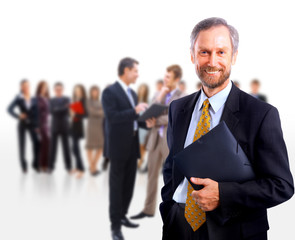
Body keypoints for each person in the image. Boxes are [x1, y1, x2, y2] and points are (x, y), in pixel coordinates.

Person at [160, 17, 294, 240]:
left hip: (234, 231)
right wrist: (171, 206)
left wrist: (223, 194)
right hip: (179, 227)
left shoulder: (261, 114)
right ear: (192, 55)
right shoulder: (178, 108)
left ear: (234, 56)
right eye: (204, 52)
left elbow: (281, 186)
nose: (212, 61)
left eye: (221, 52)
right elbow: (172, 167)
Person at [102, 57, 149, 240]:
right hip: (118, 147)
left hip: (132, 145)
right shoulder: (109, 92)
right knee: (116, 187)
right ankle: (115, 227)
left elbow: (134, 120)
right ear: (126, 71)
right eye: (136, 70)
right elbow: (113, 117)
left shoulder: (133, 94)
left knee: (129, 185)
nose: (137, 74)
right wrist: (135, 111)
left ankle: (123, 216)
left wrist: (147, 123)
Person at [131, 65, 185, 220]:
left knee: (172, 178)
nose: (165, 79)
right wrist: (161, 93)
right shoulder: (158, 93)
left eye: (168, 77)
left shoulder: (183, 96)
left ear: (177, 79)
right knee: (151, 176)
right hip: (154, 140)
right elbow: (151, 108)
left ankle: (174, 211)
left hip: (170, 142)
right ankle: (148, 209)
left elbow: (174, 117)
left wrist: (155, 121)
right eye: (165, 76)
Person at [7, 79, 40, 173]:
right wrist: (18, 116)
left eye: (28, 86)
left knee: (37, 143)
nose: (26, 87)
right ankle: (23, 166)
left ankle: (35, 164)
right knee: (22, 145)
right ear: (21, 87)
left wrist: (37, 125)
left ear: (30, 86)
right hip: (22, 124)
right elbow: (9, 109)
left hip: (33, 124)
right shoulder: (18, 98)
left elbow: (37, 113)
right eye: (24, 86)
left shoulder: (34, 98)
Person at [49, 82, 72, 173]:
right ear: (54, 90)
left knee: (66, 148)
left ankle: (68, 166)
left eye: (60, 89)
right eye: (57, 89)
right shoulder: (51, 100)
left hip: (65, 126)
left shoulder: (67, 99)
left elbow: (68, 110)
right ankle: (50, 167)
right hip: (54, 126)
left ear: (63, 89)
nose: (58, 91)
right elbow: (51, 111)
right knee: (52, 148)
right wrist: (63, 108)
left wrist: (58, 109)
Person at [85, 85, 104, 176]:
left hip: (99, 126)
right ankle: (93, 169)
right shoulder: (88, 101)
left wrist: (99, 112)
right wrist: (100, 111)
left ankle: (93, 165)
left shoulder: (100, 101)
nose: (95, 93)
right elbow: (91, 112)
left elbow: (104, 113)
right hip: (91, 126)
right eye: (93, 91)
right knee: (90, 147)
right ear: (91, 92)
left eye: (96, 91)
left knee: (100, 147)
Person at [70, 84, 87, 179]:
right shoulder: (74, 99)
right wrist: (71, 114)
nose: (77, 92)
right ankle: (77, 167)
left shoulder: (84, 100)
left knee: (76, 148)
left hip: (78, 127)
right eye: (76, 90)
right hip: (72, 126)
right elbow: (72, 114)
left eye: (79, 90)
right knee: (73, 149)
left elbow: (85, 115)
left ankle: (82, 170)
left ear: (82, 91)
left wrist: (75, 114)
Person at [35, 81, 50, 172]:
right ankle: (43, 164)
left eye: (46, 87)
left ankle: (45, 163)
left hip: (48, 123)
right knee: (45, 143)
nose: (45, 89)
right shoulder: (37, 99)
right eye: (43, 87)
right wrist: (37, 126)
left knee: (47, 143)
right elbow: (36, 113)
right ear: (39, 88)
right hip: (41, 124)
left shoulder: (47, 98)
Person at [137, 83, 150, 169]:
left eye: (144, 89)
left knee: (142, 145)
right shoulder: (135, 100)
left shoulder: (148, 101)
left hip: (144, 127)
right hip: (136, 126)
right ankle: (138, 161)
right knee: (137, 145)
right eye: (141, 88)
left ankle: (140, 162)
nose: (142, 91)